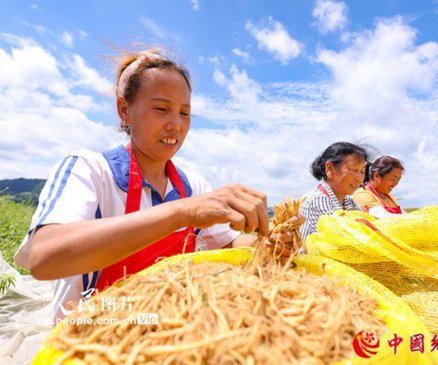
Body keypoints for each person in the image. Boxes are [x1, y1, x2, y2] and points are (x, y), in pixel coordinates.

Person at [14, 49, 290, 321]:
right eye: (161, 109)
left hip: (164, 332)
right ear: (124, 110)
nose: (176, 125)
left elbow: (230, 242)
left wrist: (268, 245)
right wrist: (182, 212)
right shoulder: (89, 170)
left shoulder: (191, 185)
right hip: (92, 336)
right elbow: (44, 257)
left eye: (184, 113)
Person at [299, 142, 370, 243]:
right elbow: (338, 243)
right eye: (353, 169)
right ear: (330, 169)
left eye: (362, 172)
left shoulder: (350, 202)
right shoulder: (318, 199)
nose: (359, 178)